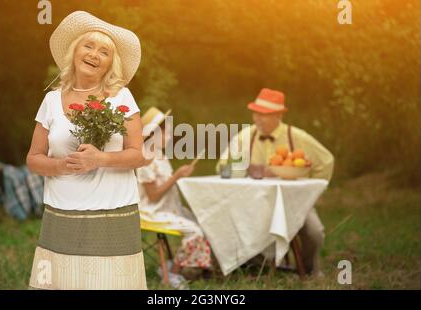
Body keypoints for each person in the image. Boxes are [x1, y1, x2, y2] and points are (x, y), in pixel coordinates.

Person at [26, 11, 147, 289]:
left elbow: (138, 155)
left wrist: (99, 158)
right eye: (88, 46)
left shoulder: (121, 97)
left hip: (112, 210)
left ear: (109, 64)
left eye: (104, 51)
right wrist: (59, 166)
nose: (95, 54)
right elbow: (33, 159)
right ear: (75, 51)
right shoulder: (51, 100)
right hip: (63, 211)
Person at [217, 88, 334, 275]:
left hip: (294, 203)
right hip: (254, 205)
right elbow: (221, 167)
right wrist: (245, 168)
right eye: (256, 113)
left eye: (264, 115)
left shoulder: (296, 136)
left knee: (314, 232)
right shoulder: (245, 137)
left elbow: (326, 160)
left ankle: (307, 269)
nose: (257, 118)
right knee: (230, 224)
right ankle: (257, 268)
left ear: (278, 115)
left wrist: (312, 191)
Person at [137, 107, 213, 289]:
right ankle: (173, 273)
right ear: (152, 134)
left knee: (204, 221)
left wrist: (180, 176)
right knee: (195, 231)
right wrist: (176, 176)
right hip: (151, 211)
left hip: (168, 208)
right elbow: (153, 196)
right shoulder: (145, 159)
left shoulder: (161, 156)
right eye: (166, 134)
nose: (170, 138)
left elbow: (167, 185)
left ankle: (181, 266)